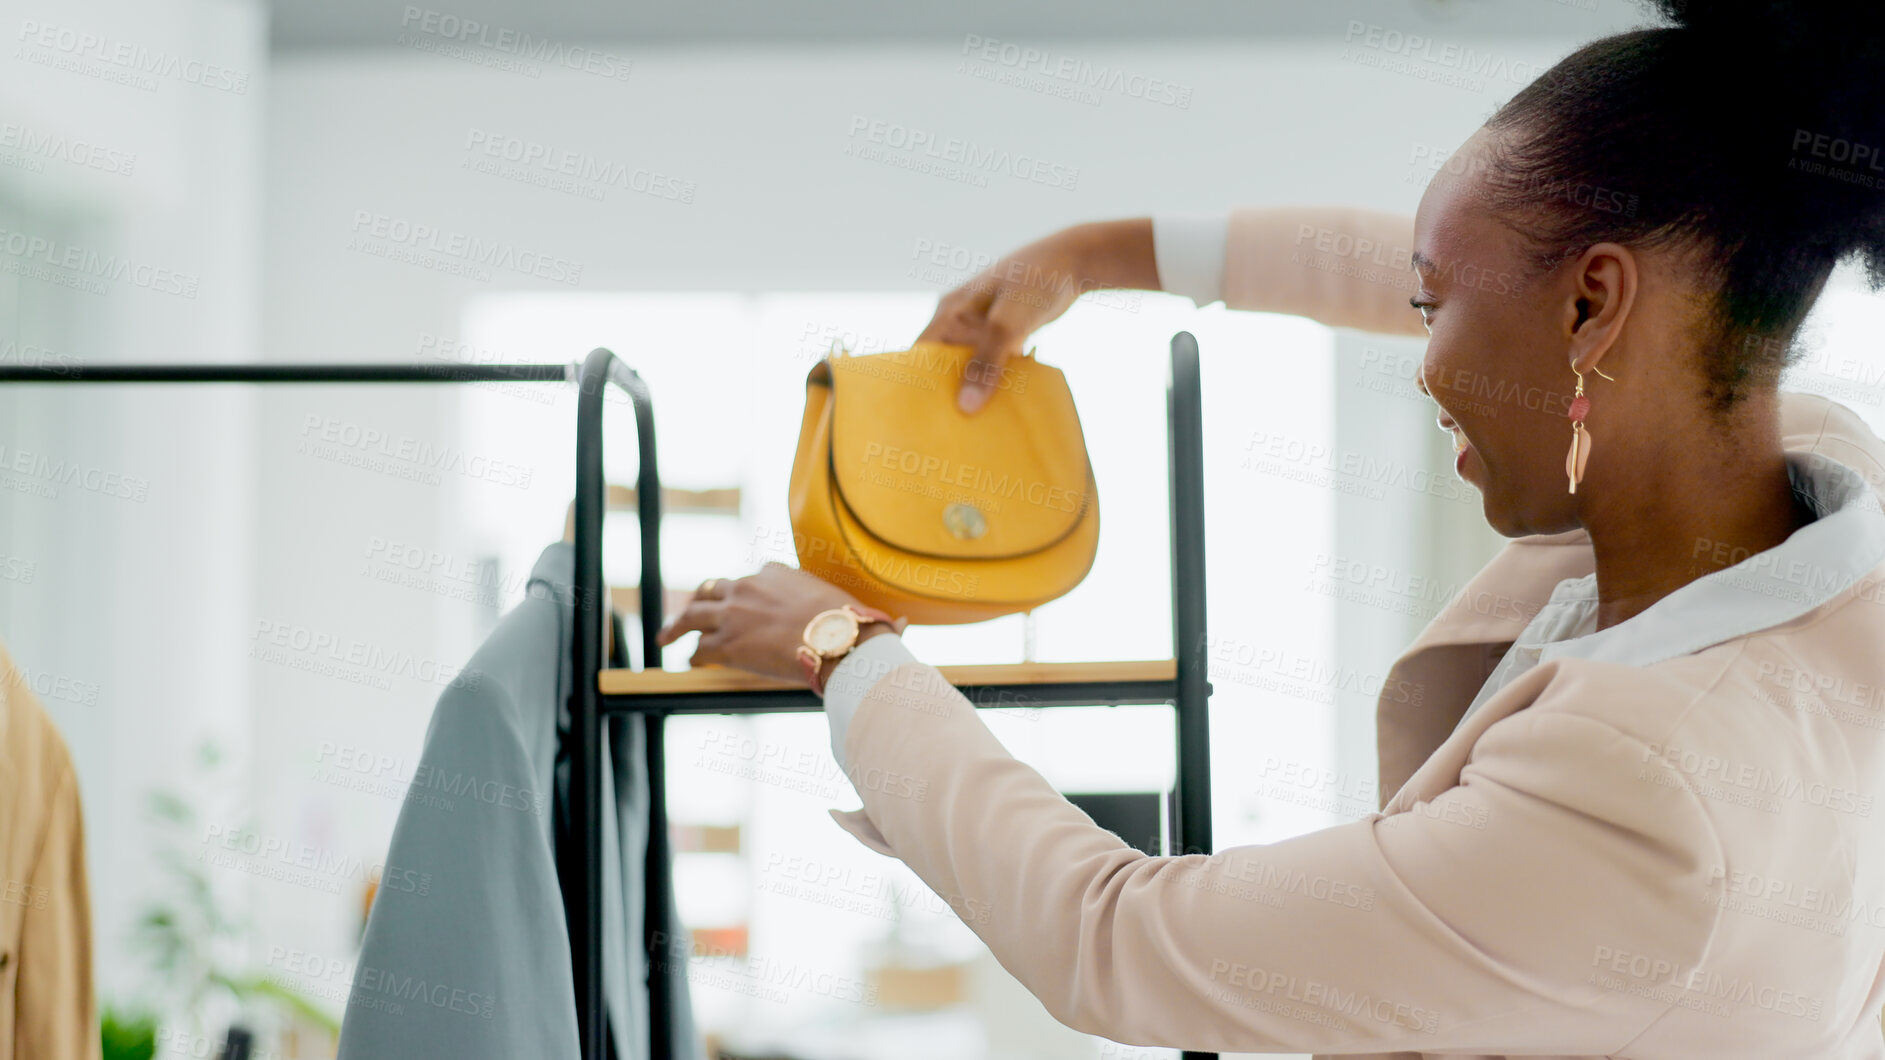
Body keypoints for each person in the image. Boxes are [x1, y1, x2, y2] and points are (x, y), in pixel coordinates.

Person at [655, 2, 1885, 1055]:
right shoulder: (1822, 486)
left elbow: (1114, 934)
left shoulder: (1641, 791)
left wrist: (844, 647)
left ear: (1591, 304)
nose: (1421, 353)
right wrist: (1099, 255)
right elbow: (1447, 266)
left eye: (1431, 304)